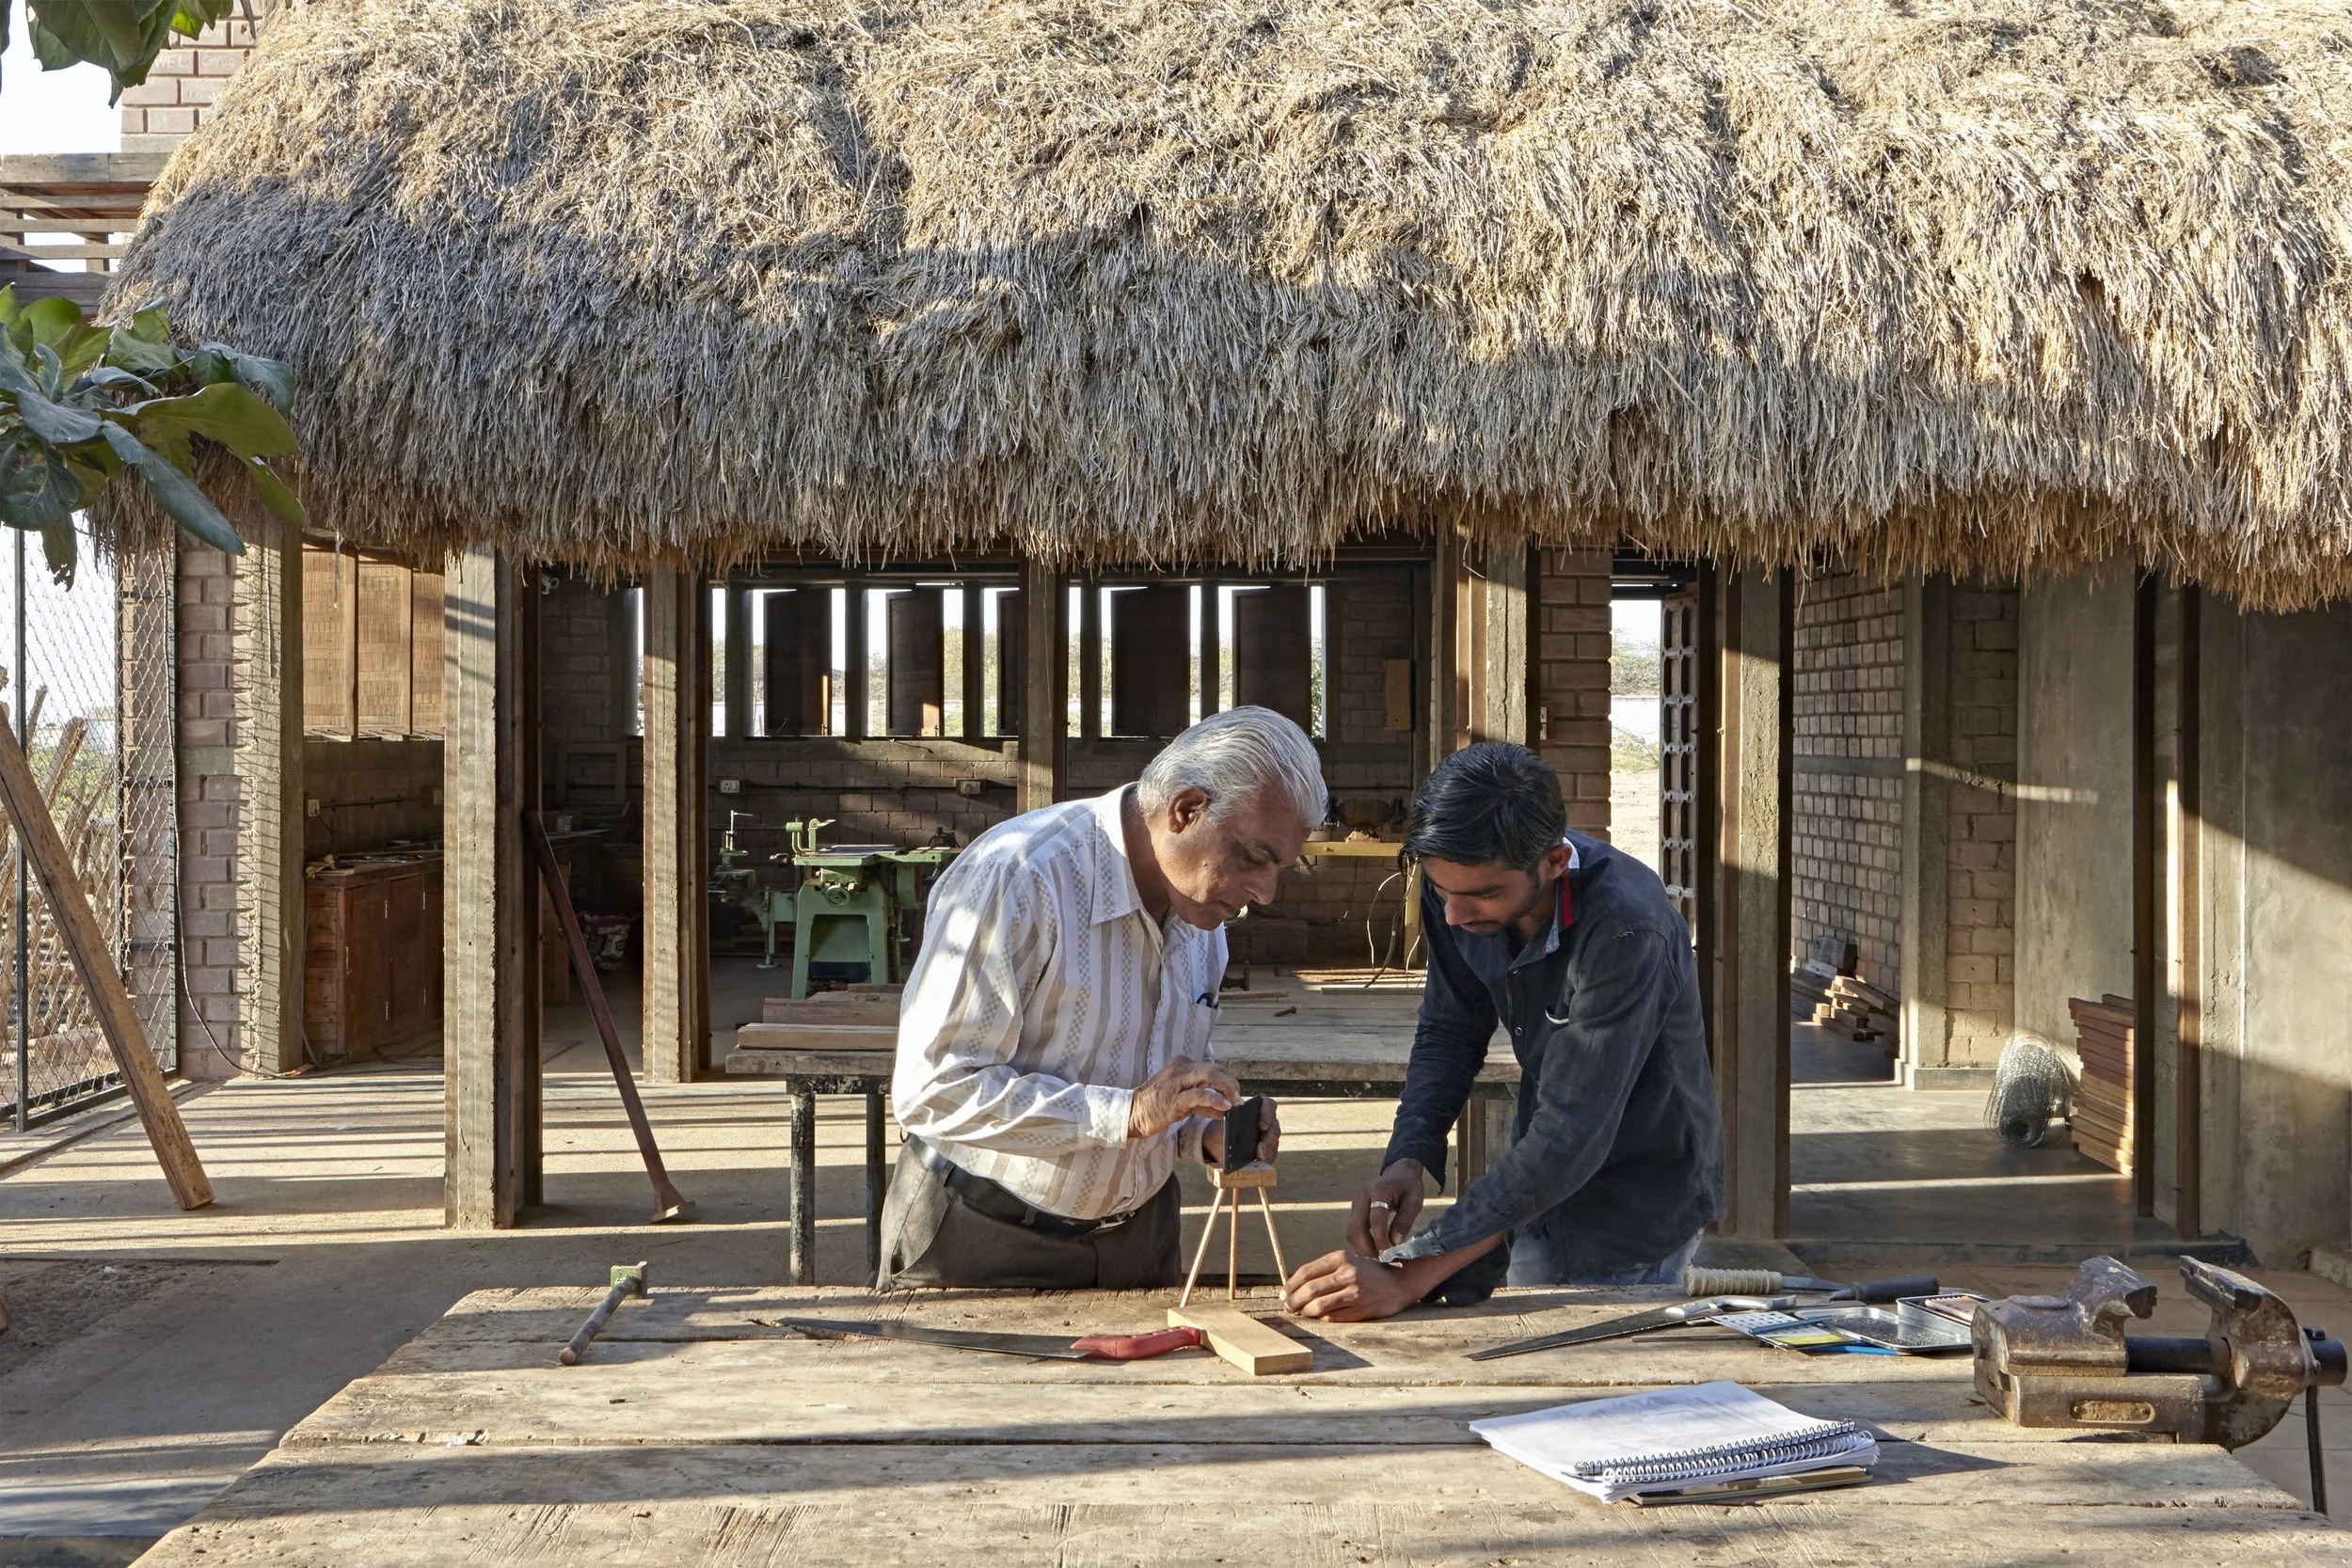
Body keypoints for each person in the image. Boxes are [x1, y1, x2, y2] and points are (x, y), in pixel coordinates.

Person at [879, 705, 1326, 1290]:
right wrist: (1128, 1113)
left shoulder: (1204, 922)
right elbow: (933, 1088)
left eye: (1281, 868)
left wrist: (1202, 1131)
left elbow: (1150, 1091)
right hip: (984, 1233)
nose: (1265, 892)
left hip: (1139, 1241)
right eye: (1254, 858)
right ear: (1185, 811)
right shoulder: (1020, 877)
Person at [1283, 742, 1723, 1320]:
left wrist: (1408, 1274)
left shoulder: (1627, 931)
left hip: (1636, 1201)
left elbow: (1572, 1132)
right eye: (1443, 892)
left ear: (1555, 863)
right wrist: (1408, 1156)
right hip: (1538, 1181)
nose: (1456, 917)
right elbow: (1450, 1028)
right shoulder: (1454, 884)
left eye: (1483, 895)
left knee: (1588, 1383)